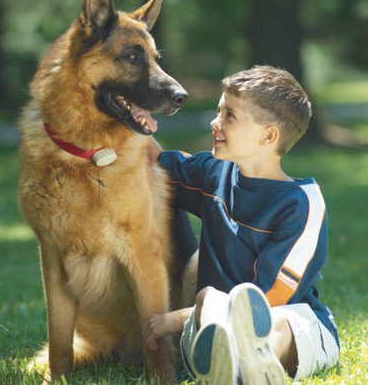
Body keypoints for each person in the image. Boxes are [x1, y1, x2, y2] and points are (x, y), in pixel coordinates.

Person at [144, 65, 340, 384]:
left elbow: (275, 296)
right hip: (212, 326)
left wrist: (178, 317)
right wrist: (133, 118)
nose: (214, 122)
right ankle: (236, 367)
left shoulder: (302, 202)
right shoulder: (213, 175)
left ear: (268, 135)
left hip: (291, 321)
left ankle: (249, 363)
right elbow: (153, 160)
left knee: (272, 324)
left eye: (229, 116)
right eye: (218, 111)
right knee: (209, 296)